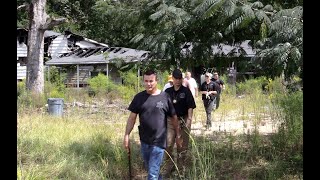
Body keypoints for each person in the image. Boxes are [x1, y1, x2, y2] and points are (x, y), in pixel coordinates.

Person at [123, 69, 183, 180]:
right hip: (144, 140)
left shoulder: (165, 97)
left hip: (159, 141)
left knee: (152, 174)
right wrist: (126, 135)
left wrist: (178, 135)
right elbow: (132, 118)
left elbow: (174, 117)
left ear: (156, 81)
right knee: (151, 169)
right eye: (146, 81)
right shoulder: (139, 98)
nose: (148, 84)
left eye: (151, 81)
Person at [162, 69, 196, 176]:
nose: (177, 81)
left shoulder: (186, 91)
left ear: (182, 79)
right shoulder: (167, 92)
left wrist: (189, 120)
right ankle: (170, 165)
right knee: (168, 143)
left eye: (179, 78)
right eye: (175, 78)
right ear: (172, 79)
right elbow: (162, 107)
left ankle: (181, 169)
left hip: (183, 119)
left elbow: (190, 106)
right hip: (170, 120)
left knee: (182, 146)